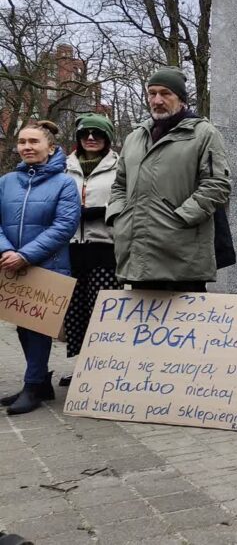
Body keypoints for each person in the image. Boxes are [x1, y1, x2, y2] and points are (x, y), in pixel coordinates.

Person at [106, 67, 231, 292]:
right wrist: (118, 216)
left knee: (184, 327)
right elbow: (120, 184)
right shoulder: (135, 137)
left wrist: (179, 218)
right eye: (152, 93)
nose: (157, 100)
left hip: (180, 254)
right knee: (140, 325)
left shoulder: (204, 134)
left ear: (181, 99)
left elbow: (217, 185)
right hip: (137, 252)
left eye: (165, 93)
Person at [0, 121, 80, 415]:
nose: (27, 147)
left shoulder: (64, 183)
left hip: (47, 266)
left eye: (34, 141)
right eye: (22, 142)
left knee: (38, 327)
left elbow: (64, 227)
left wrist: (25, 255)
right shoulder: (6, 181)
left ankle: (33, 384)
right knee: (22, 325)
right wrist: (7, 250)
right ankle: (39, 381)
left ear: (50, 147)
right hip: (11, 265)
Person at [60, 114, 124, 387]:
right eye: (85, 134)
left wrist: (105, 212)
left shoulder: (119, 167)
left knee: (103, 313)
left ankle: (105, 369)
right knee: (77, 313)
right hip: (72, 250)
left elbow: (129, 200)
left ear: (107, 137)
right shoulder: (65, 167)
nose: (90, 138)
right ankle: (83, 368)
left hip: (105, 248)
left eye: (97, 134)